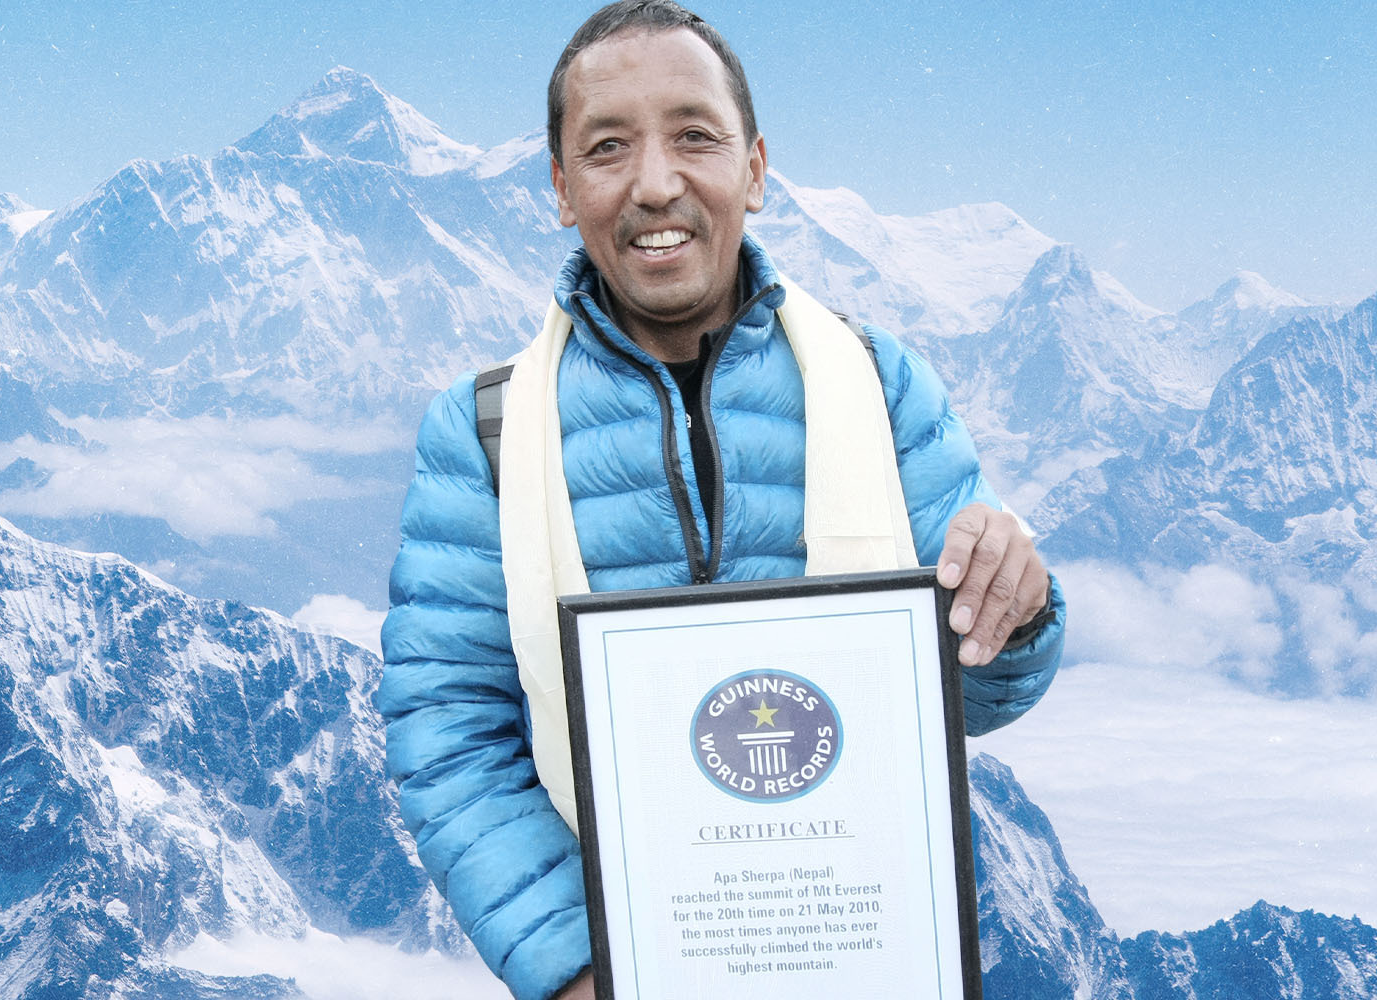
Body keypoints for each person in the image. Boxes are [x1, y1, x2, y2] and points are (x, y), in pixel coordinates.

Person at [377, 3, 1065, 998]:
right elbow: (446, 731)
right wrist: (576, 968)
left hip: (854, 951)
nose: (657, 182)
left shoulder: (880, 387)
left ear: (755, 167)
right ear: (563, 191)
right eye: (608, 148)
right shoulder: (486, 431)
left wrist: (1019, 607)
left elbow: (974, 693)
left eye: (694, 135)